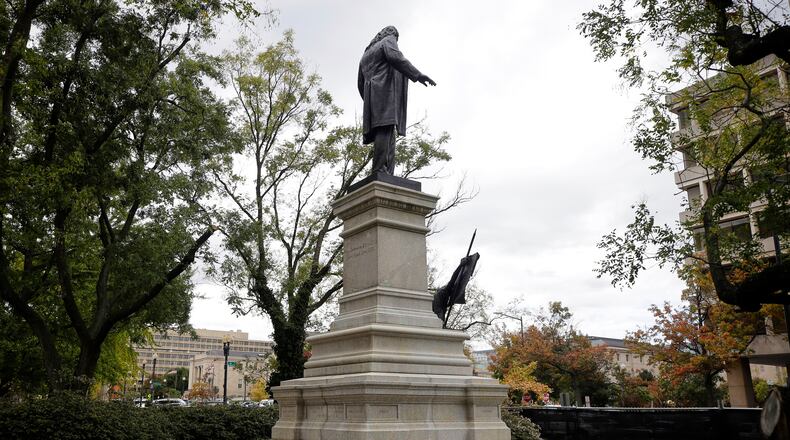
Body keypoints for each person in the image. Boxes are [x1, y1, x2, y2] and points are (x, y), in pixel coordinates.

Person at [358, 26, 436, 175]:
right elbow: (396, 57)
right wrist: (418, 75)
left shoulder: (365, 54)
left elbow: (360, 83)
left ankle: (386, 171)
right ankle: (380, 169)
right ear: (390, 33)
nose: (395, 41)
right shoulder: (388, 40)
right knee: (385, 128)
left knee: (387, 132)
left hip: (372, 97)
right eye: (396, 38)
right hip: (385, 92)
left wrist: (370, 100)